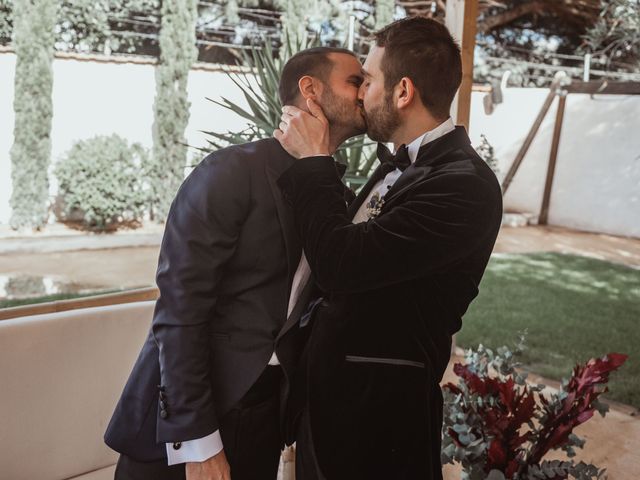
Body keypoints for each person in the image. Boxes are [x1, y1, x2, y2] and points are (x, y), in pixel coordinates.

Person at [104, 46, 366, 480]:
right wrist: (199, 443)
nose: (364, 92)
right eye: (355, 81)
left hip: (265, 420)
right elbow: (179, 313)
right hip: (185, 428)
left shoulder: (334, 199)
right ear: (310, 90)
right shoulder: (229, 173)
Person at [274, 16, 503, 480]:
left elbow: (341, 265)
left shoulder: (464, 185)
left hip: (378, 428)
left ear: (403, 92)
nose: (359, 93)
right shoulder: (402, 165)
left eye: (369, 80)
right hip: (329, 408)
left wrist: (316, 162)